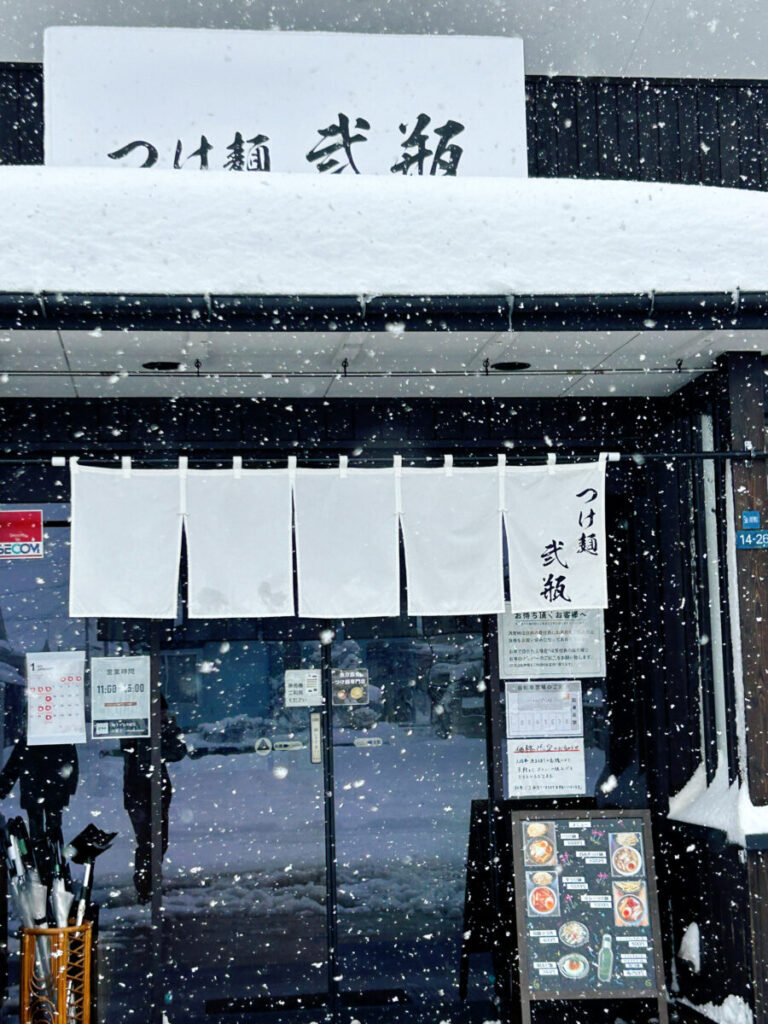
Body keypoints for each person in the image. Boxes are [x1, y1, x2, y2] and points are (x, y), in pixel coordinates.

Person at [121, 695, 186, 903]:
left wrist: (167, 730)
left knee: (158, 841)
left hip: (156, 789)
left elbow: (178, 751)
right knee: (147, 841)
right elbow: (138, 751)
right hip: (139, 789)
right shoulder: (135, 726)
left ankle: (150, 883)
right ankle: (146, 886)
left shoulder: (164, 727)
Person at [0, 738, 78, 886]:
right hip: (54, 788)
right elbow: (71, 760)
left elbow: (14, 764)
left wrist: (3, 787)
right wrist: (70, 785)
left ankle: (44, 872)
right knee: (53, 831)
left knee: (38, 834)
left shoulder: (31, 737)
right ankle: (56, 871)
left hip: (34, 789)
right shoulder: (60, 735)